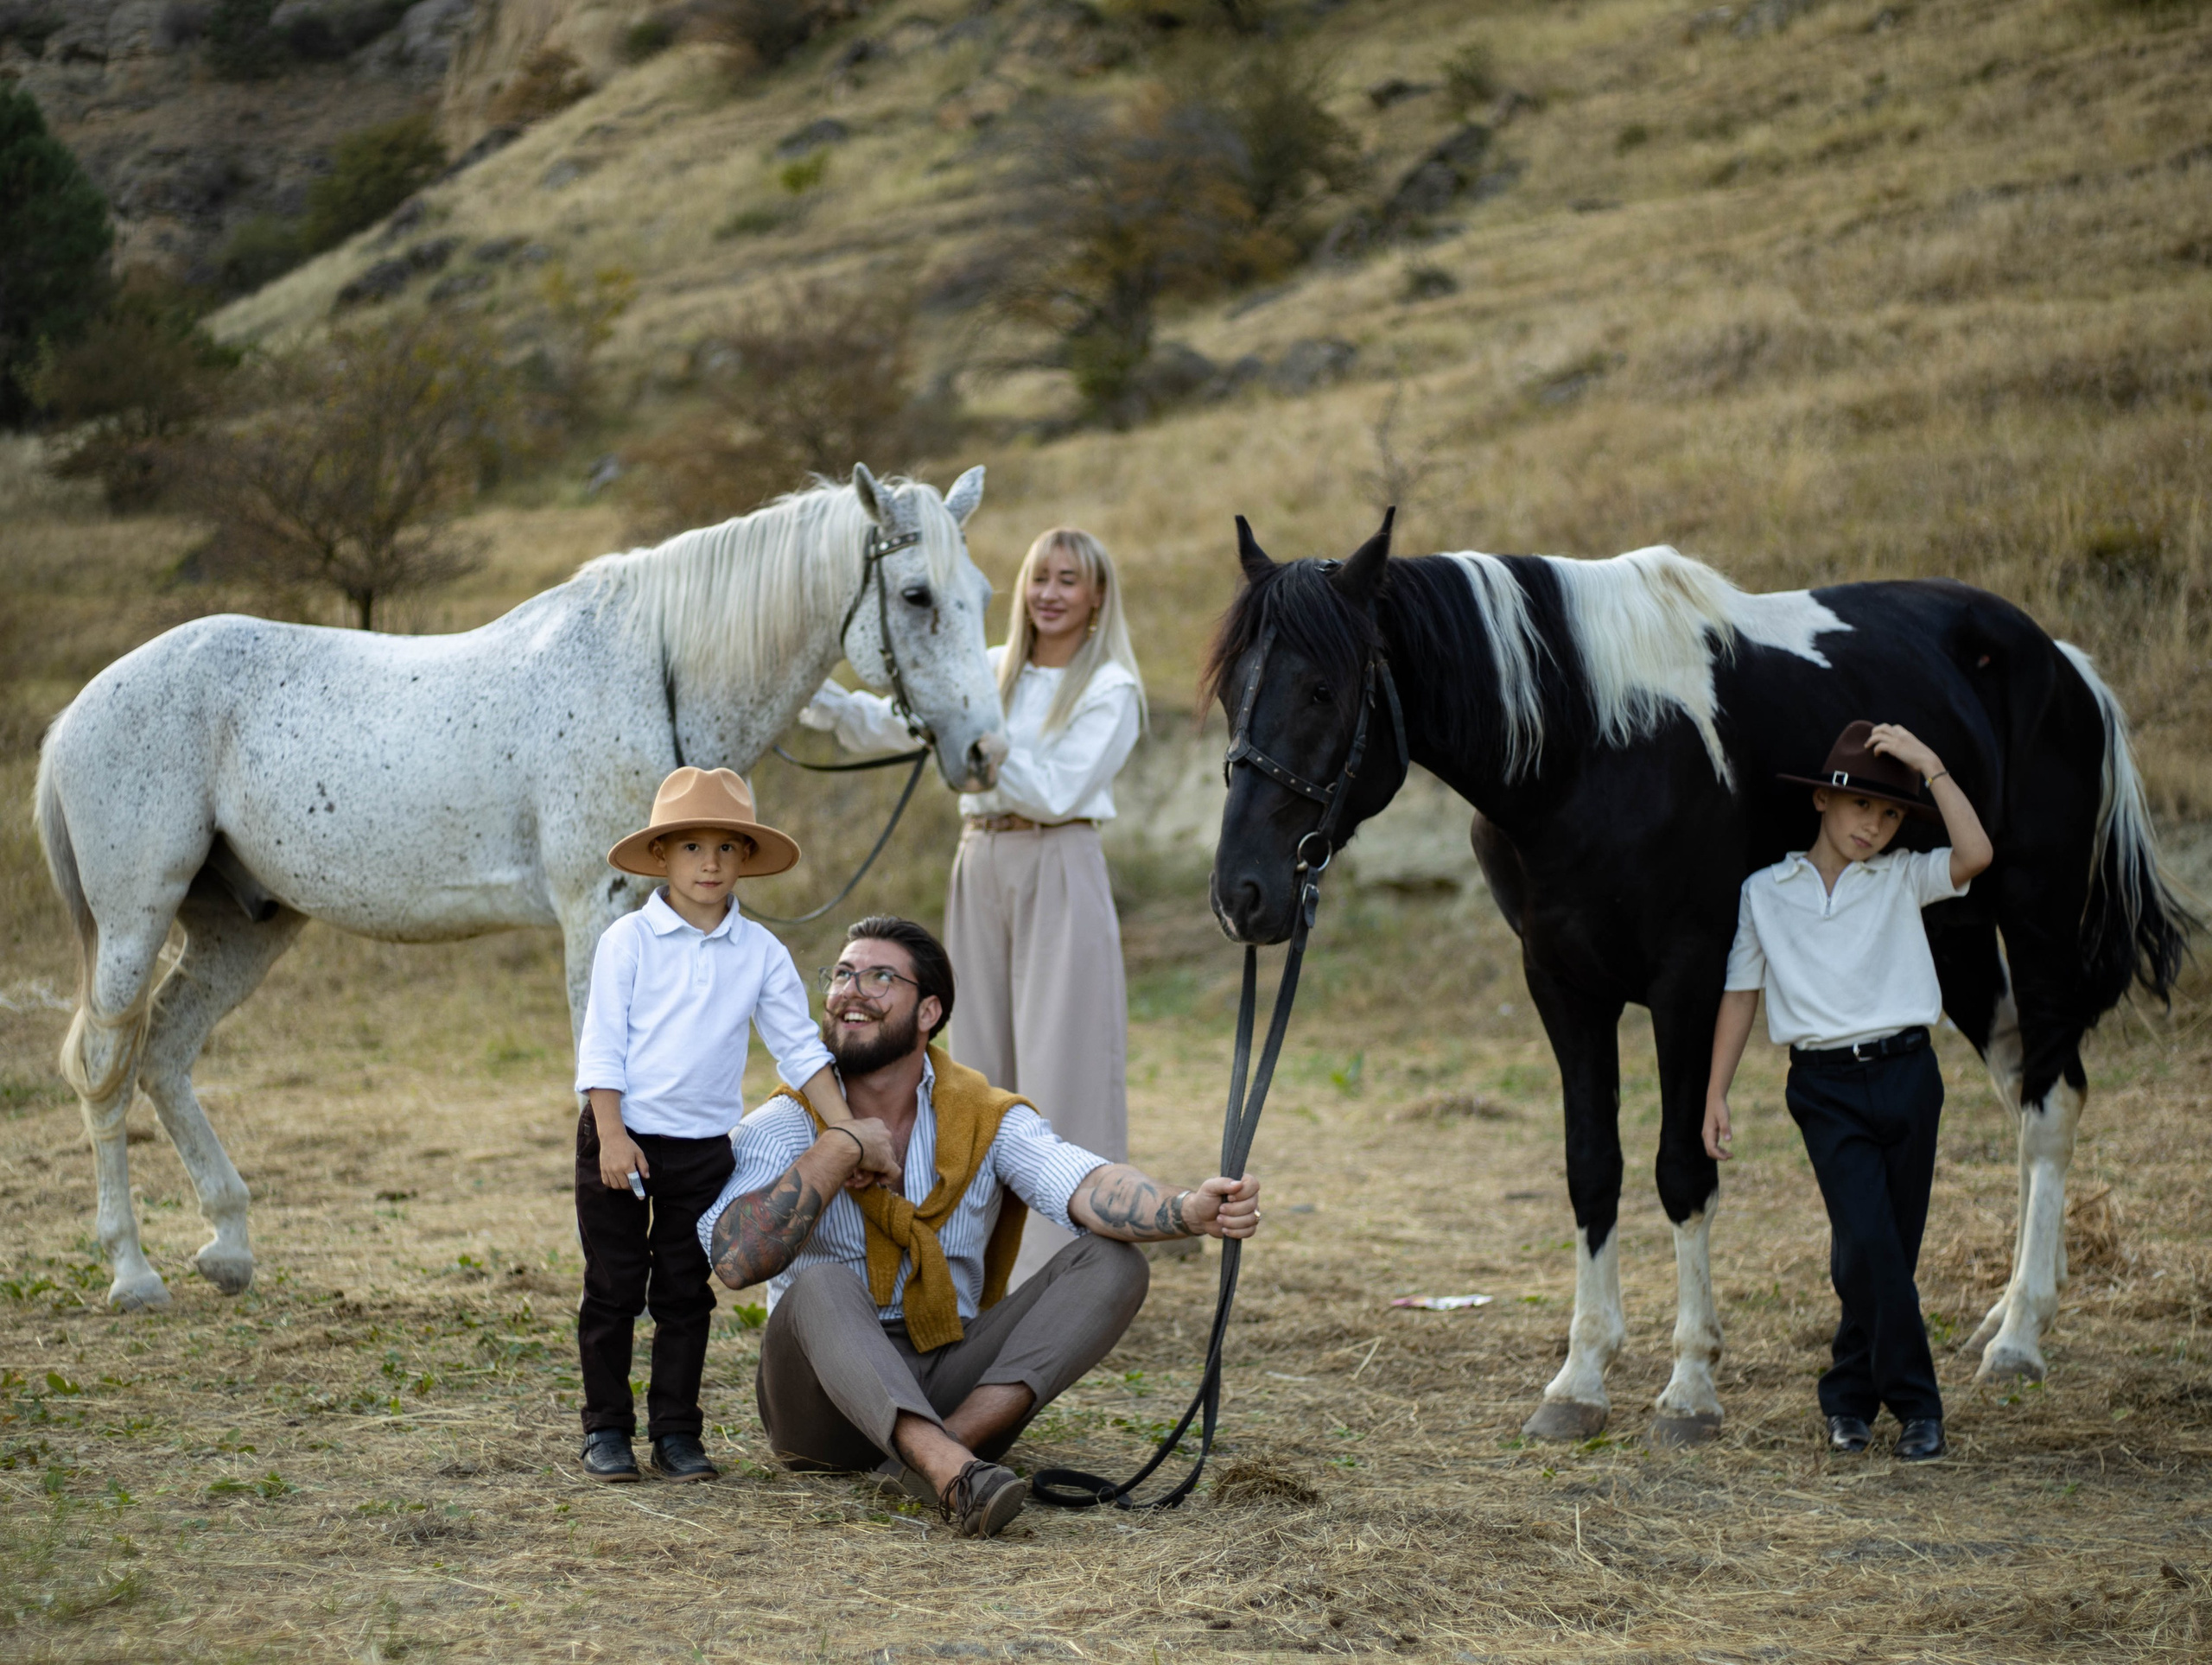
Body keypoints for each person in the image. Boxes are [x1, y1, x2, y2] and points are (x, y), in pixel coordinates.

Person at [697, 915, 1261, 1537]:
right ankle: (951, 1470)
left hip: (949, 1370)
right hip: (820, 1409)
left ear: (928, 1010)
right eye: (842, 974)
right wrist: (839, 1148)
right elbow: (735, 1261)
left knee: (1113, 1261)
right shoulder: (783, 1122)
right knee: (821, 1284)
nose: (851, 990)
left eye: (880, 976)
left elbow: (1082, 1181)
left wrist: (1187, 1208)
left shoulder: (982, 1115)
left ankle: (940, 1451)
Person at [801, 528, 1145, 1282]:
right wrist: (807, 692)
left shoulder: (1111, 687)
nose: (1049, 593)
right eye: (1039, 577)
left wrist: (975, 745)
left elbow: (1058, 787)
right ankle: (973, 1261)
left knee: (1066, 1060)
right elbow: (888, 721)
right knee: (976, 1064)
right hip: (980, 859)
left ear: (1095, 598)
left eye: (1068, 580)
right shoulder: (988, 671)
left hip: (1058, 858)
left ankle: (1069, 1270)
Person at [572, 766, 874, 1484]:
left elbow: (799, 1049)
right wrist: (611, 1133)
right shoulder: (628, 941)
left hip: (705, 1153)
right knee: (613, 1288)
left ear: (744, 858)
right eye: (690, 847)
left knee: (684, 1292)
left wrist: (849, 1132)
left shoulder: (760, 952)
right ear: (660, 858)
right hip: (622, 1140)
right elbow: (602, 1044)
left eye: (726, 848)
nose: (709, 864)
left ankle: (676, 1431)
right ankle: (606, 1429)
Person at [1704, 721, 1993, 1463]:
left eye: (1891, 813)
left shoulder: (1899, 879)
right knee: (1864, 1245)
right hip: (1825, 1086)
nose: (1876, 824)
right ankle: (1920, 1406)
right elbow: (1741, 995)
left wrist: (1932, 766)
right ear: (1824, 801)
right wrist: (1717, 1094)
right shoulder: (1764, 893)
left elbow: (1976, 853)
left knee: (1887, 1252)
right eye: (1863, 804)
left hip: (1908, 1076)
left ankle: (1848, 1397)